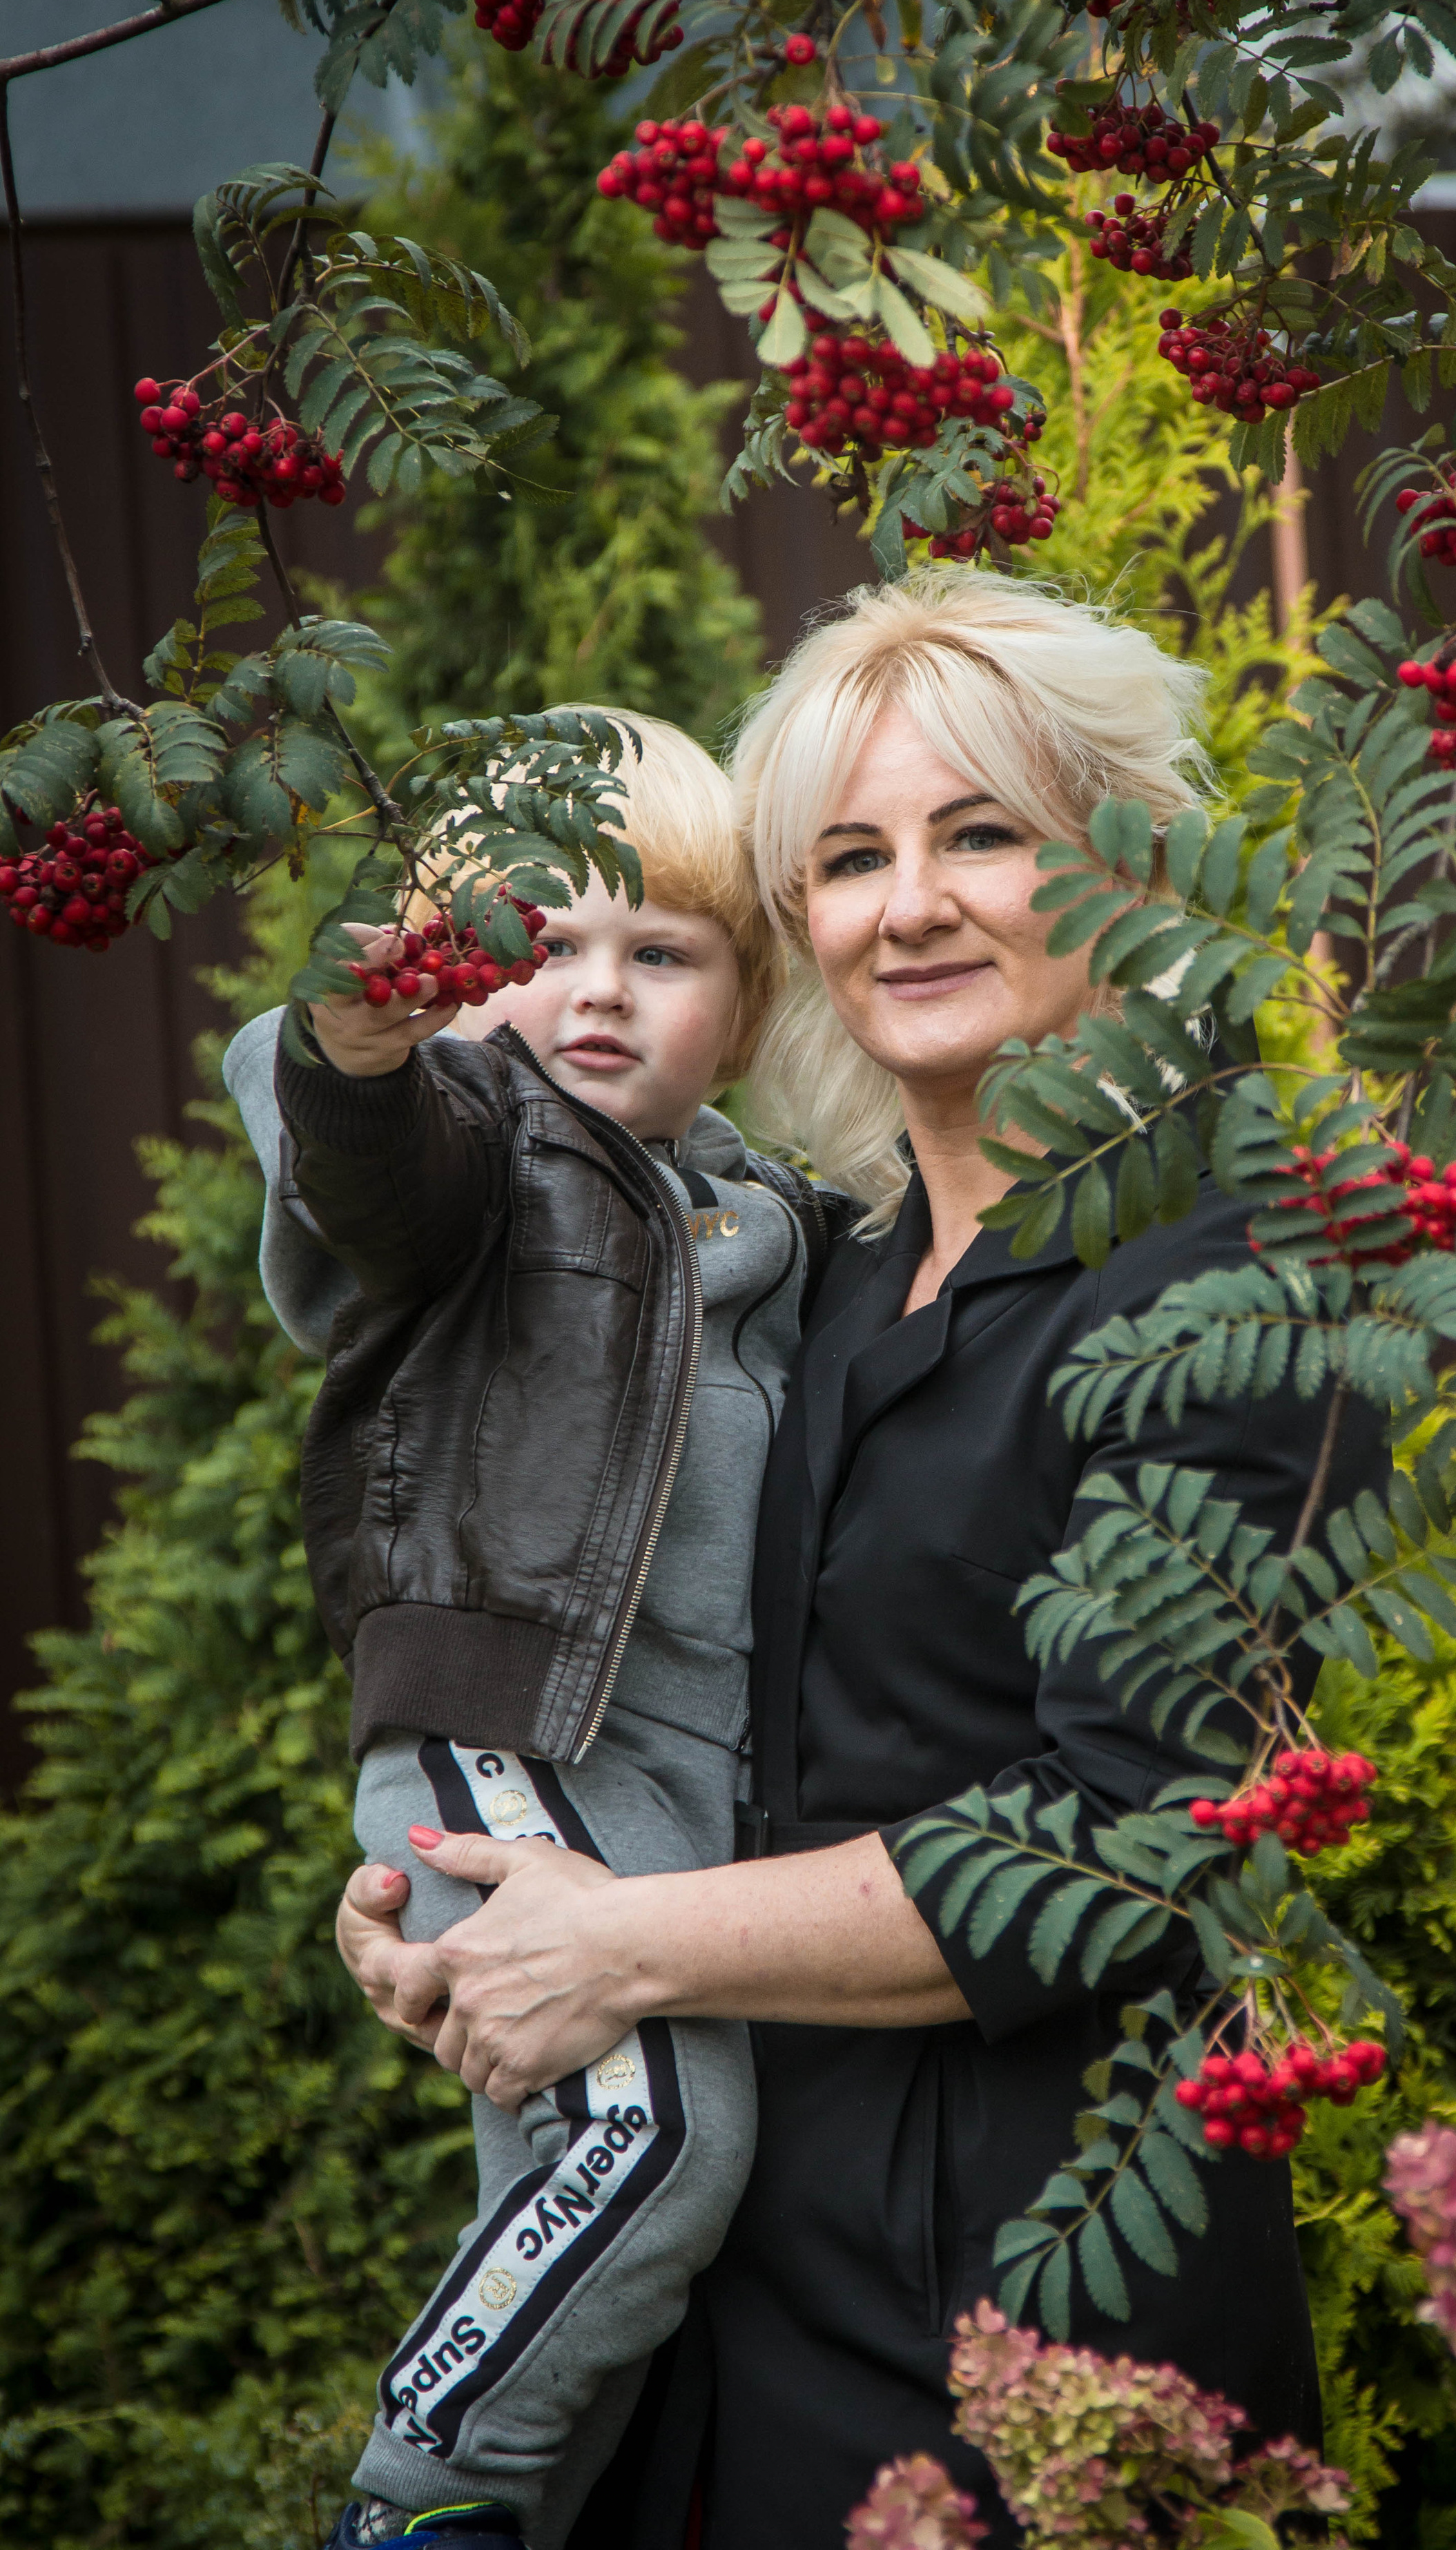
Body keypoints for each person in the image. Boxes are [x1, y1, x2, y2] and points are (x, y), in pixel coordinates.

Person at [334, 572, 1388, 2550]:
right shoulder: (811, 1276)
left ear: (1131, 864)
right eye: (848, 858)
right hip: (724, 2291)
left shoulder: (1242, 1271)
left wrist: (624, 1943)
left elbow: (1132, 1831)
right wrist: (469, 1915)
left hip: (1039, 2294)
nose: (908, 906)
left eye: (980, 835)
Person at [224, 712, 851, 2550]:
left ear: (743, 1006)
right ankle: (418, 2502)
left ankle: (530, 2519)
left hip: (686, 1792)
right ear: (459, 974)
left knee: (586, 2206)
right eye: (541, 942)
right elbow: (374, 1167)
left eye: (663, 953)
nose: (596, 990)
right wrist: (359, 1045)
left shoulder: (768, 1216)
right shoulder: (490, 1154)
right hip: (509, 1731)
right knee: (660, 2140)